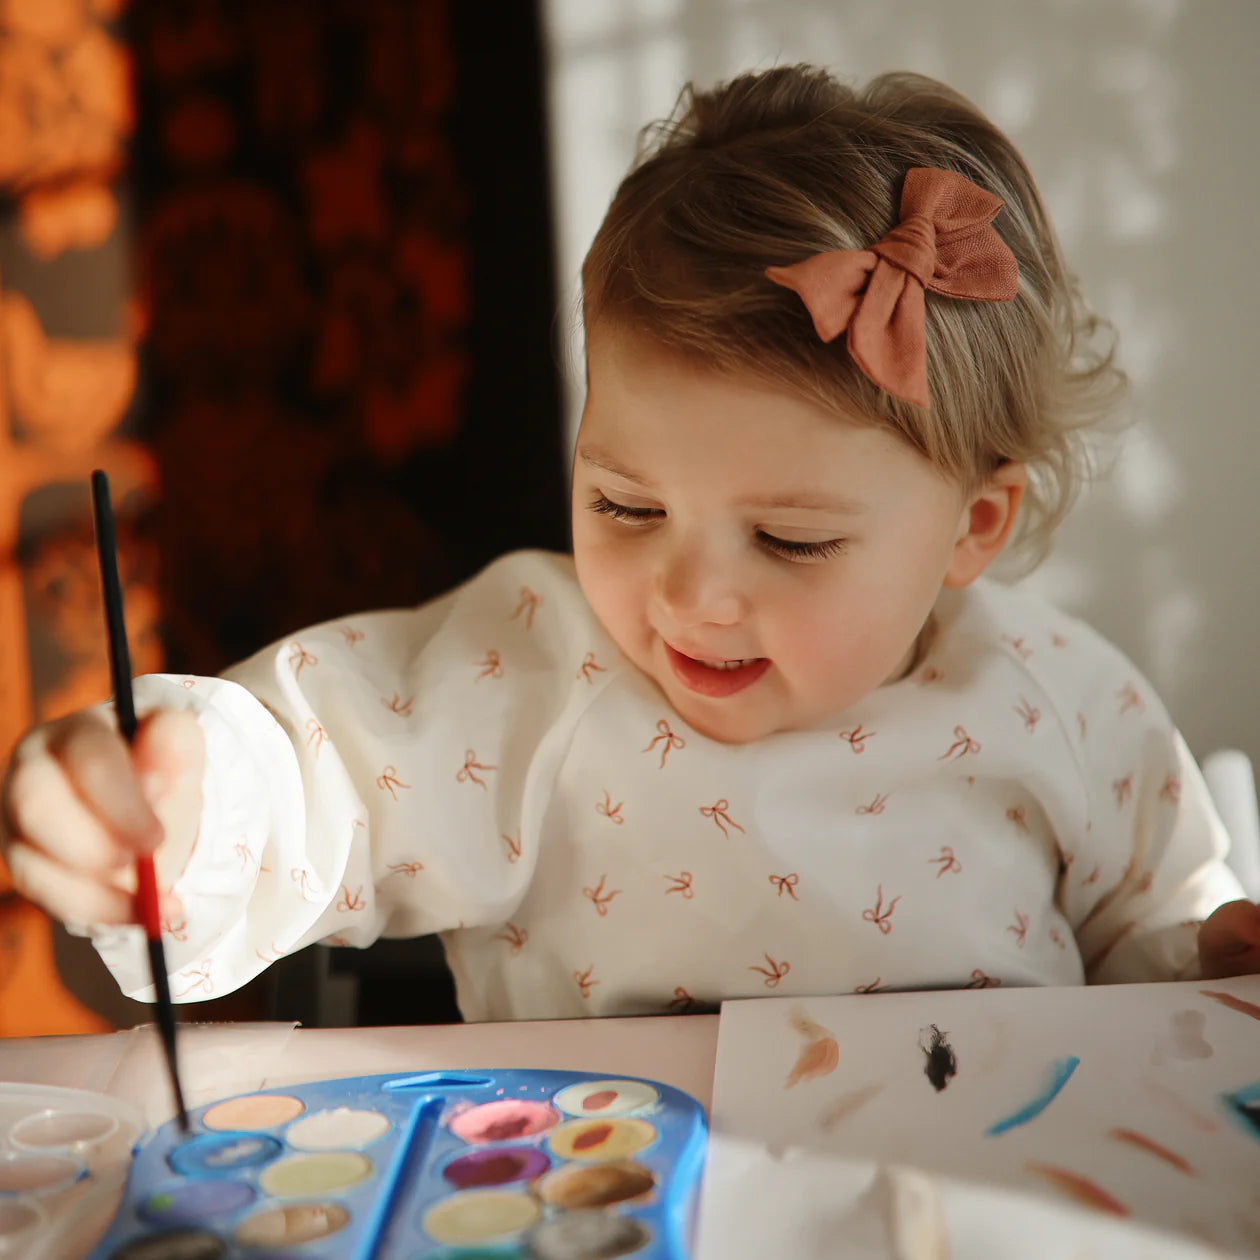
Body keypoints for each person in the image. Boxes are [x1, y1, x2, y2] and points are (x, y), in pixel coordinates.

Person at [3, 65, 1258, 1023]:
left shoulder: (1064, 703)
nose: (691, 594)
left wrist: (1202, 962)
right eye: (627, 507)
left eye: (791, 540)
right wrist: (188, 802)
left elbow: (1146, 948)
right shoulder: (534, 668)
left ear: (971, 527)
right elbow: (322, 773)